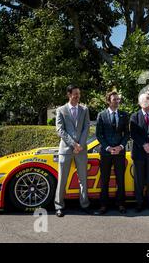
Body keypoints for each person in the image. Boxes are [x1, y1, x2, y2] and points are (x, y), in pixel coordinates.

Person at [54, 85, 91, 217]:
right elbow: (60, 130)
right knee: (62, 179)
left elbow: (87, 127)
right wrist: (73, 143)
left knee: (83, 179)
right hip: (66, 149)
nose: (77, 96)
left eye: (78, 94)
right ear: (69, 94)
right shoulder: (61, 110)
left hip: (81, 149)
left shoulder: (84, 109)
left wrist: (80, 144)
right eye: (75, 94)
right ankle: (59, 206)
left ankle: (85, 204)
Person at [94, 91, 130, 215]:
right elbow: (99, 134)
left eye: (118, 99)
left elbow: (127, 134)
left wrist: (120, 146)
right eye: (114, 99)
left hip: (120, 153)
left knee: (120, 180)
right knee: (105, 180)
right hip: (106, 153)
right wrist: (108, 147)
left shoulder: (124, 115)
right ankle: (104, 205)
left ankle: (121, 204)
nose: (117, 101)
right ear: (109, 101)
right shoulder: (101, 115)